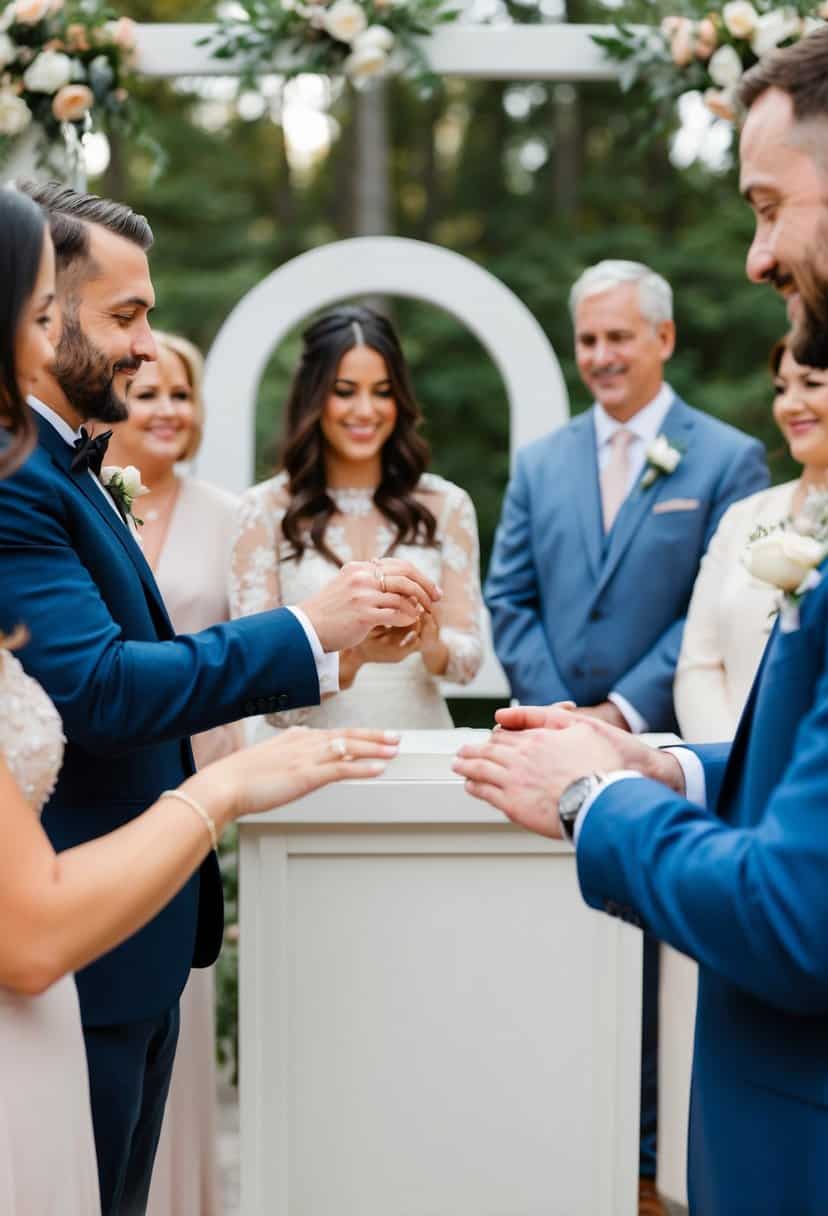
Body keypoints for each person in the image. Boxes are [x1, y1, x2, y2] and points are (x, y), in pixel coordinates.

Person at [0, 182, 440, 1216]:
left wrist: (337, 650)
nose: (149, 346)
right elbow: (98, 688)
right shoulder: (17, 478)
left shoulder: (66, 467)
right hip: (67, 947)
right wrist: (300, 631)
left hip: (129, 949)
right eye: (126, 315)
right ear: (40, 314)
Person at [454, 27, 828, 1215]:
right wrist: (650, 759)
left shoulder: (720, 459)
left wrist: (590, 793)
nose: (758, 256)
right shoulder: (542, 459)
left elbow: (794, 914)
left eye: (770, 207)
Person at [484, 258, 768, 1214]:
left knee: (652, 964)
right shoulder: (539, 461)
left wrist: (617, 719)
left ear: (664, 340)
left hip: (657, 746)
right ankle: (555, 1137)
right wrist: (558, 711)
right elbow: (506, 598)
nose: (600, 357)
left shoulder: (725, 458)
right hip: (549, 733)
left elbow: (711, 610)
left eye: (618, 337)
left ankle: (647, 1163)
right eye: (588, 339)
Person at [104, 332, 240, 1216]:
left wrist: (214, 788)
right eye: (146, 391)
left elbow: (241, 658)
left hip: (194, 786)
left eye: (179, 395)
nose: (164, 409)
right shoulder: (81, 505)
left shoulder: (230, 516)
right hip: (91, 788)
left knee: (174, 1024)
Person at [230, 305, 483, 731]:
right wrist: (354, 658)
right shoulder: (263, 512)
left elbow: (467, 660)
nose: (366, 410)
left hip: (418, 753)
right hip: (303, 761)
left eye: (382, 391)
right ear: (313, 396)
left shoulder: (447, 505)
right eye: (345, 391)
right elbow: (263, 692)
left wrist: (430, 643)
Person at [676, 336, 828, 742]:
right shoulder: (744, 518)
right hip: (733, 774)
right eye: (781, 389)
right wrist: (732, 764)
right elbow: (698, 664)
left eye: (811, 384)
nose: (790, 404)